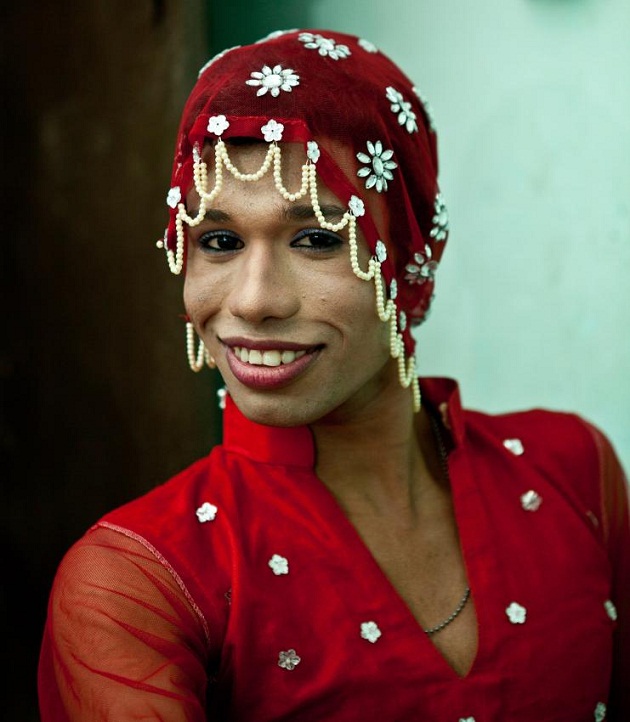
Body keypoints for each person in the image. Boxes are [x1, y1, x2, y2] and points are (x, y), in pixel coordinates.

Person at [38, 29, 629, 721]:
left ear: (407, 255)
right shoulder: (139, 584)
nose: (254, 300)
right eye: (219, 241)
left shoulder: (570, 475)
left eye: (317, 238)